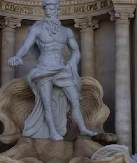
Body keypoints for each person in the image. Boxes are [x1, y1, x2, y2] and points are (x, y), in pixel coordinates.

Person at [8, 0, 97, 141]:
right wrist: (17, 57)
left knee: (75, 100)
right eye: (47, 8)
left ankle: (83, 128)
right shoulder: (37, 29)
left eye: (51, 8)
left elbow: (76, 50)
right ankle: (52, 131)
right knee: (47, 104)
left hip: (62, 69)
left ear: (57, 9)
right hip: (44, 68)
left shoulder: (66, 31)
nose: (49, 10)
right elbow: (26, 46)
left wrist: (72, 62)